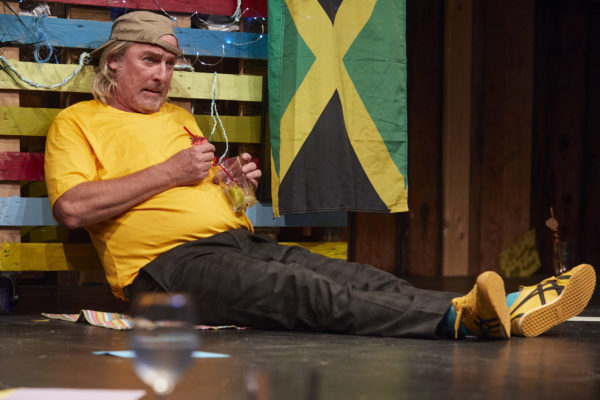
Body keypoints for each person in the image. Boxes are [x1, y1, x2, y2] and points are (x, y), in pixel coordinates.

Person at [44, 11, 596, 339]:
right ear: (113, 62)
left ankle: (500, 308)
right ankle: (465, 320)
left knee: (358, 276)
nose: (163, 76)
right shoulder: (77, 123)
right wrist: (170, 171)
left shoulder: (177, 118)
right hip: (163, 269)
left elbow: (205, 194)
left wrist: (233, 184)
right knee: (304, 291)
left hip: (236, 243)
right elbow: (72, 208)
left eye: (169, 65)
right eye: (150, 61)